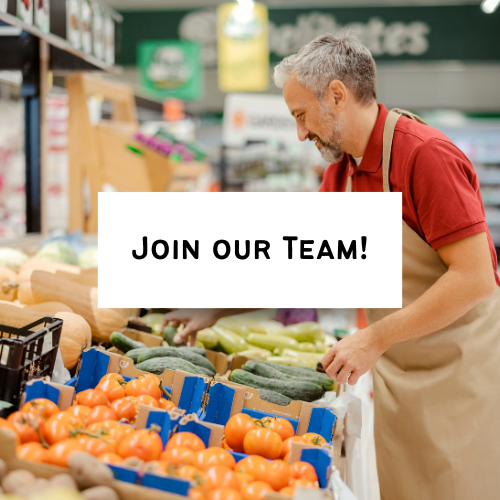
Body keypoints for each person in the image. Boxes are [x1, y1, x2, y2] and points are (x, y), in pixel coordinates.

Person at [161, 32, 500, 500]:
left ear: (337, 96)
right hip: (401, 367)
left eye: (301, 116)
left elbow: (475, 277)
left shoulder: (424, 155)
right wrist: (218, 308)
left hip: (460, 371)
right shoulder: (341, 172)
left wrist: (375, 338)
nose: (300, 134)